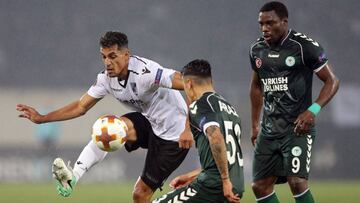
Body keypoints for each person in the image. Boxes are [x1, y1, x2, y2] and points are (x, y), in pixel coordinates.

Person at [16, 31, 194, 203]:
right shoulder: (106, 79)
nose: (107, 62)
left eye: (112, 56)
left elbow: (191, 85)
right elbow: (80, 106)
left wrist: (187, 127)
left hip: (175, 136)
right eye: (104, 57)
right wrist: (43, 118)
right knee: (109, 128)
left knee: (139, 195)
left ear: (126, 55)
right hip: (150, 123)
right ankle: (73, 178)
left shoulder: (146, 73)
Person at [249, 2, 340, 203]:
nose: (265, 28)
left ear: (284, 22)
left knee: (297, 182)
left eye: (270, 23)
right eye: (261, 24)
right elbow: (256, 87)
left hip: (297, 128)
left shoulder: (304, 47)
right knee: (259, 186)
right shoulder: (257, 50)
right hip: (269, 130)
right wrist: (255, 124)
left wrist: (312, 110)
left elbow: (332, 81)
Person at [152, 59, 244, 203]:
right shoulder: (230, 109)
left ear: (188, 84)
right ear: (210, 81)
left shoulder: (200, 105)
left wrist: (225, 180)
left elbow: (216, 137)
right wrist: (191, 176)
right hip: (235, 186)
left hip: (214, 186)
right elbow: (226, 157)